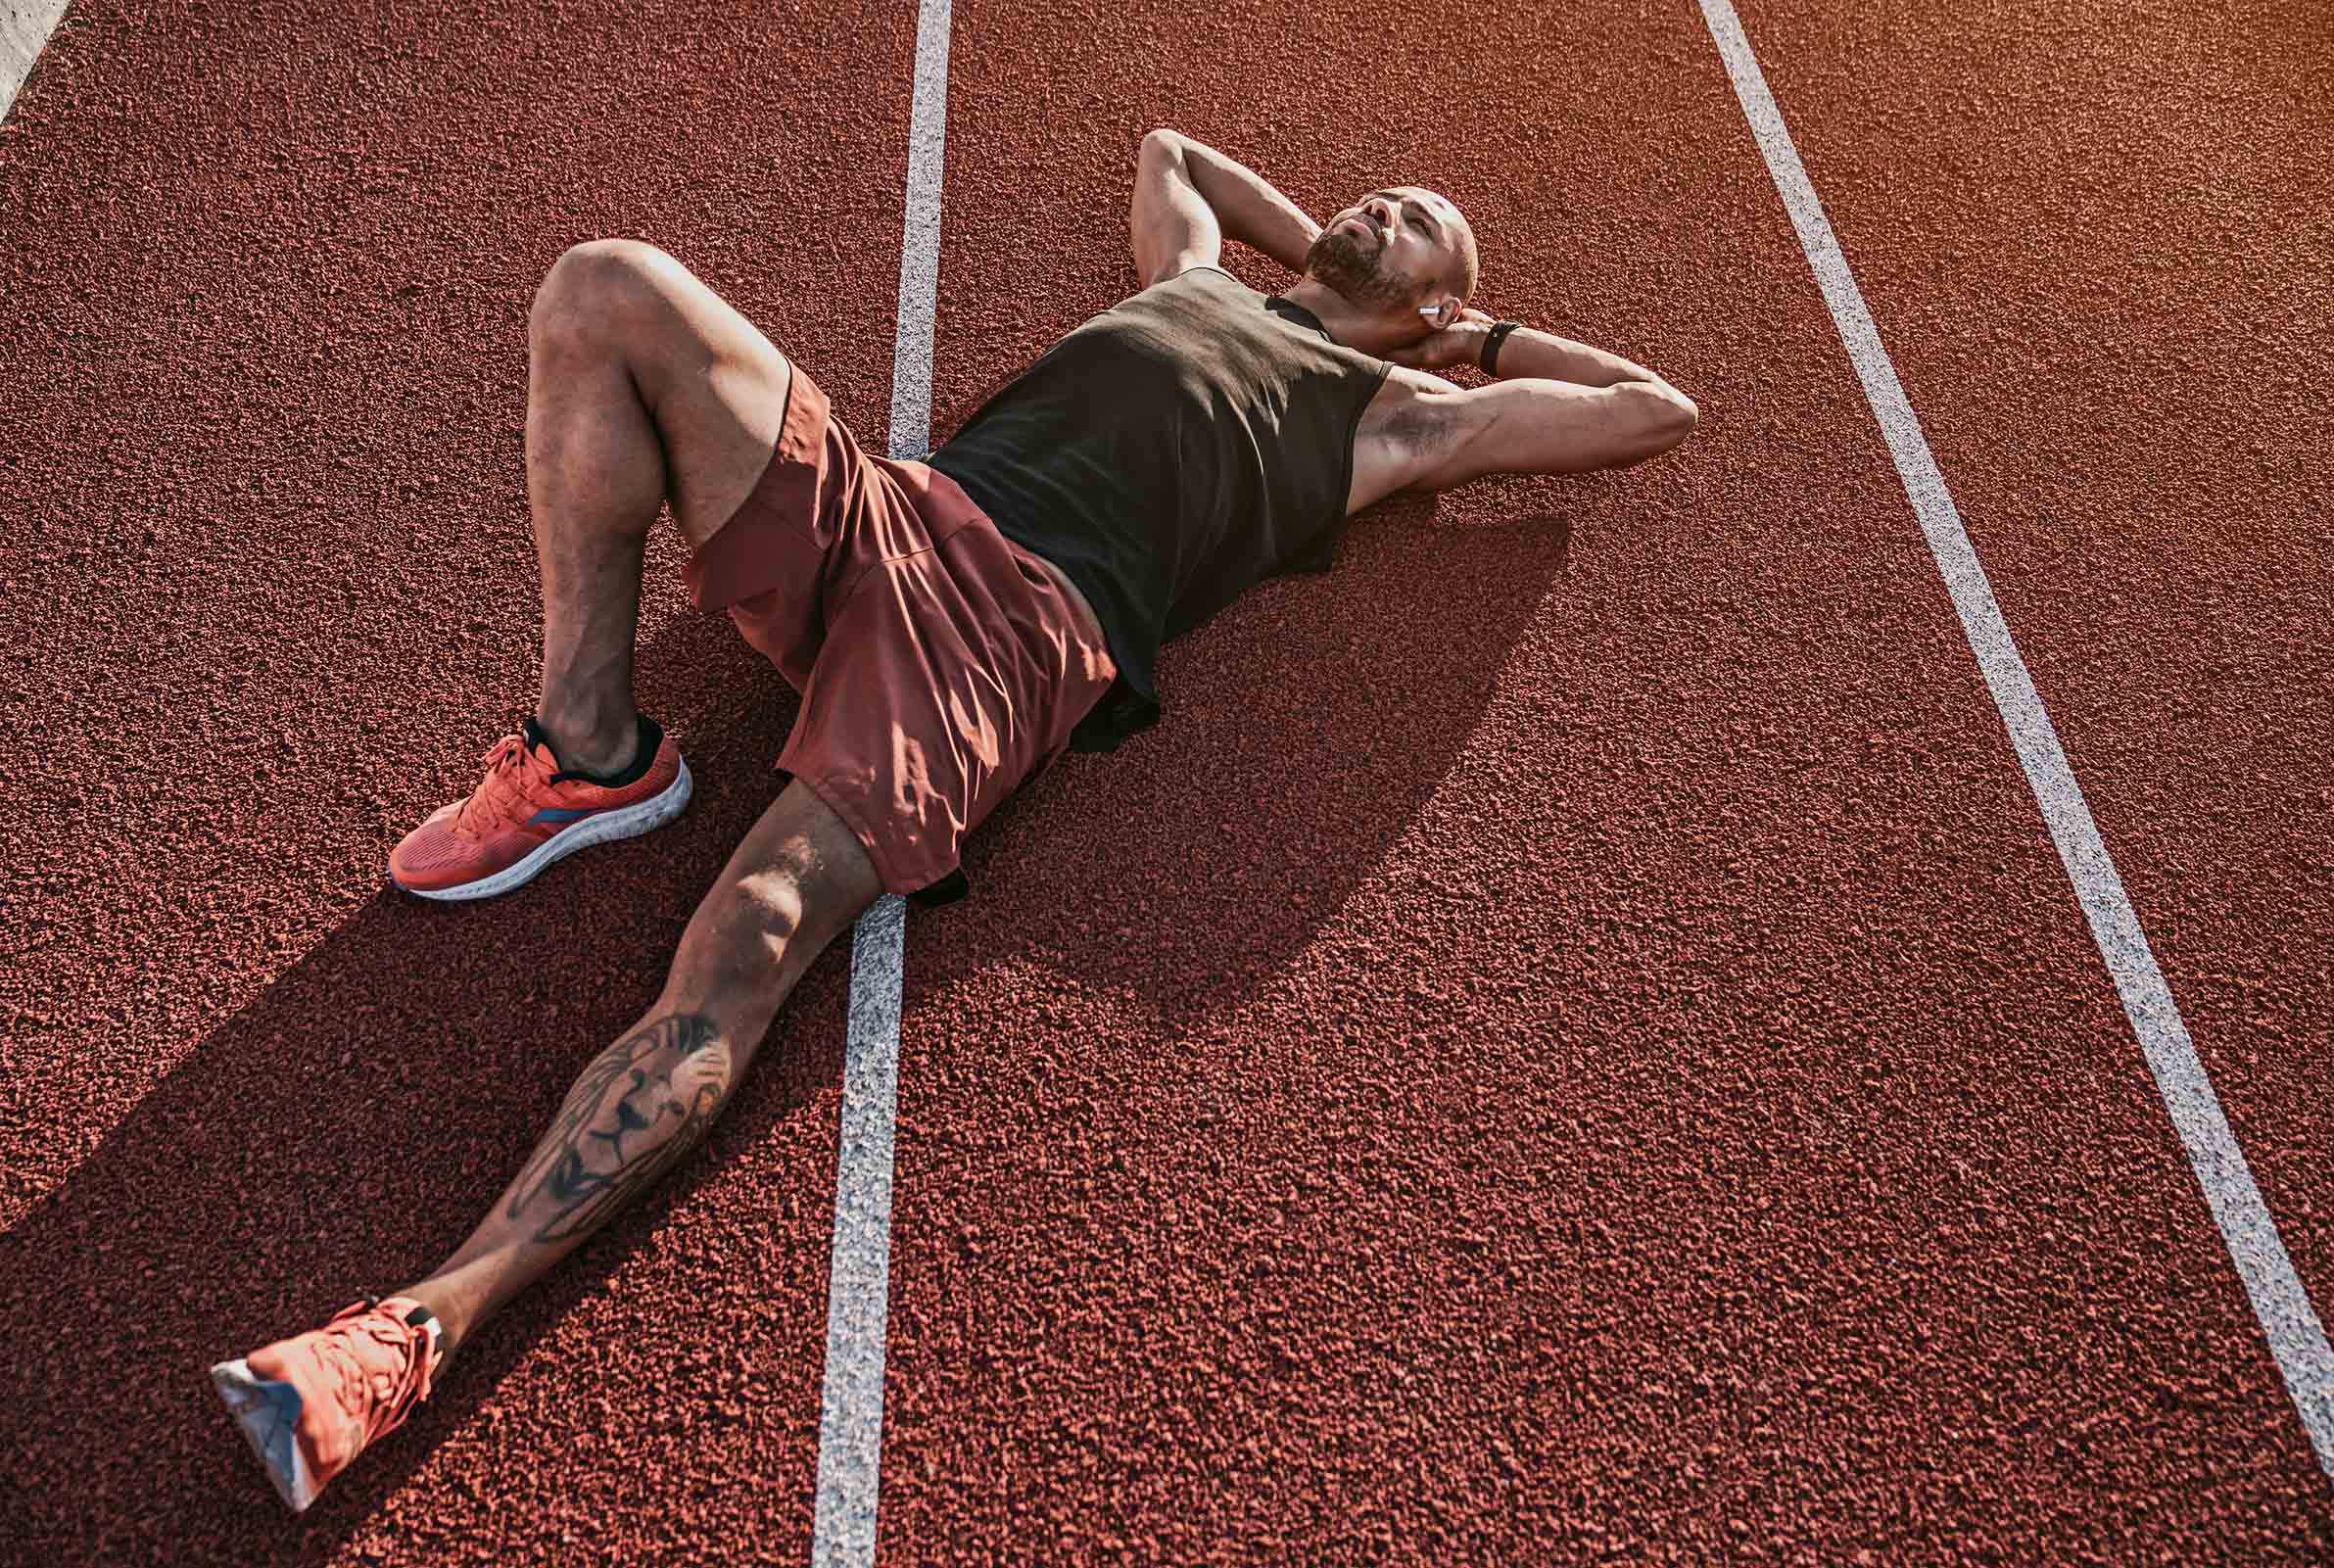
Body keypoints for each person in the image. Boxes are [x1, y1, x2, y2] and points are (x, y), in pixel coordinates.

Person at [209, 128, 1697, 1512]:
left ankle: (409, 1331)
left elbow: (1648, 408)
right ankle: (595, 752)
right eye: (1381, 196)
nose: (1387, 206)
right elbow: (1170, 146)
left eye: (1421, 225)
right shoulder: (1191, 277)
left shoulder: (1391, 421)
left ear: (1438, 313)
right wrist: (1324, 259)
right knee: (603, 288)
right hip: (896, 512)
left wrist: (1459, 338)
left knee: (753, 932)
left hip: (1004, 643)